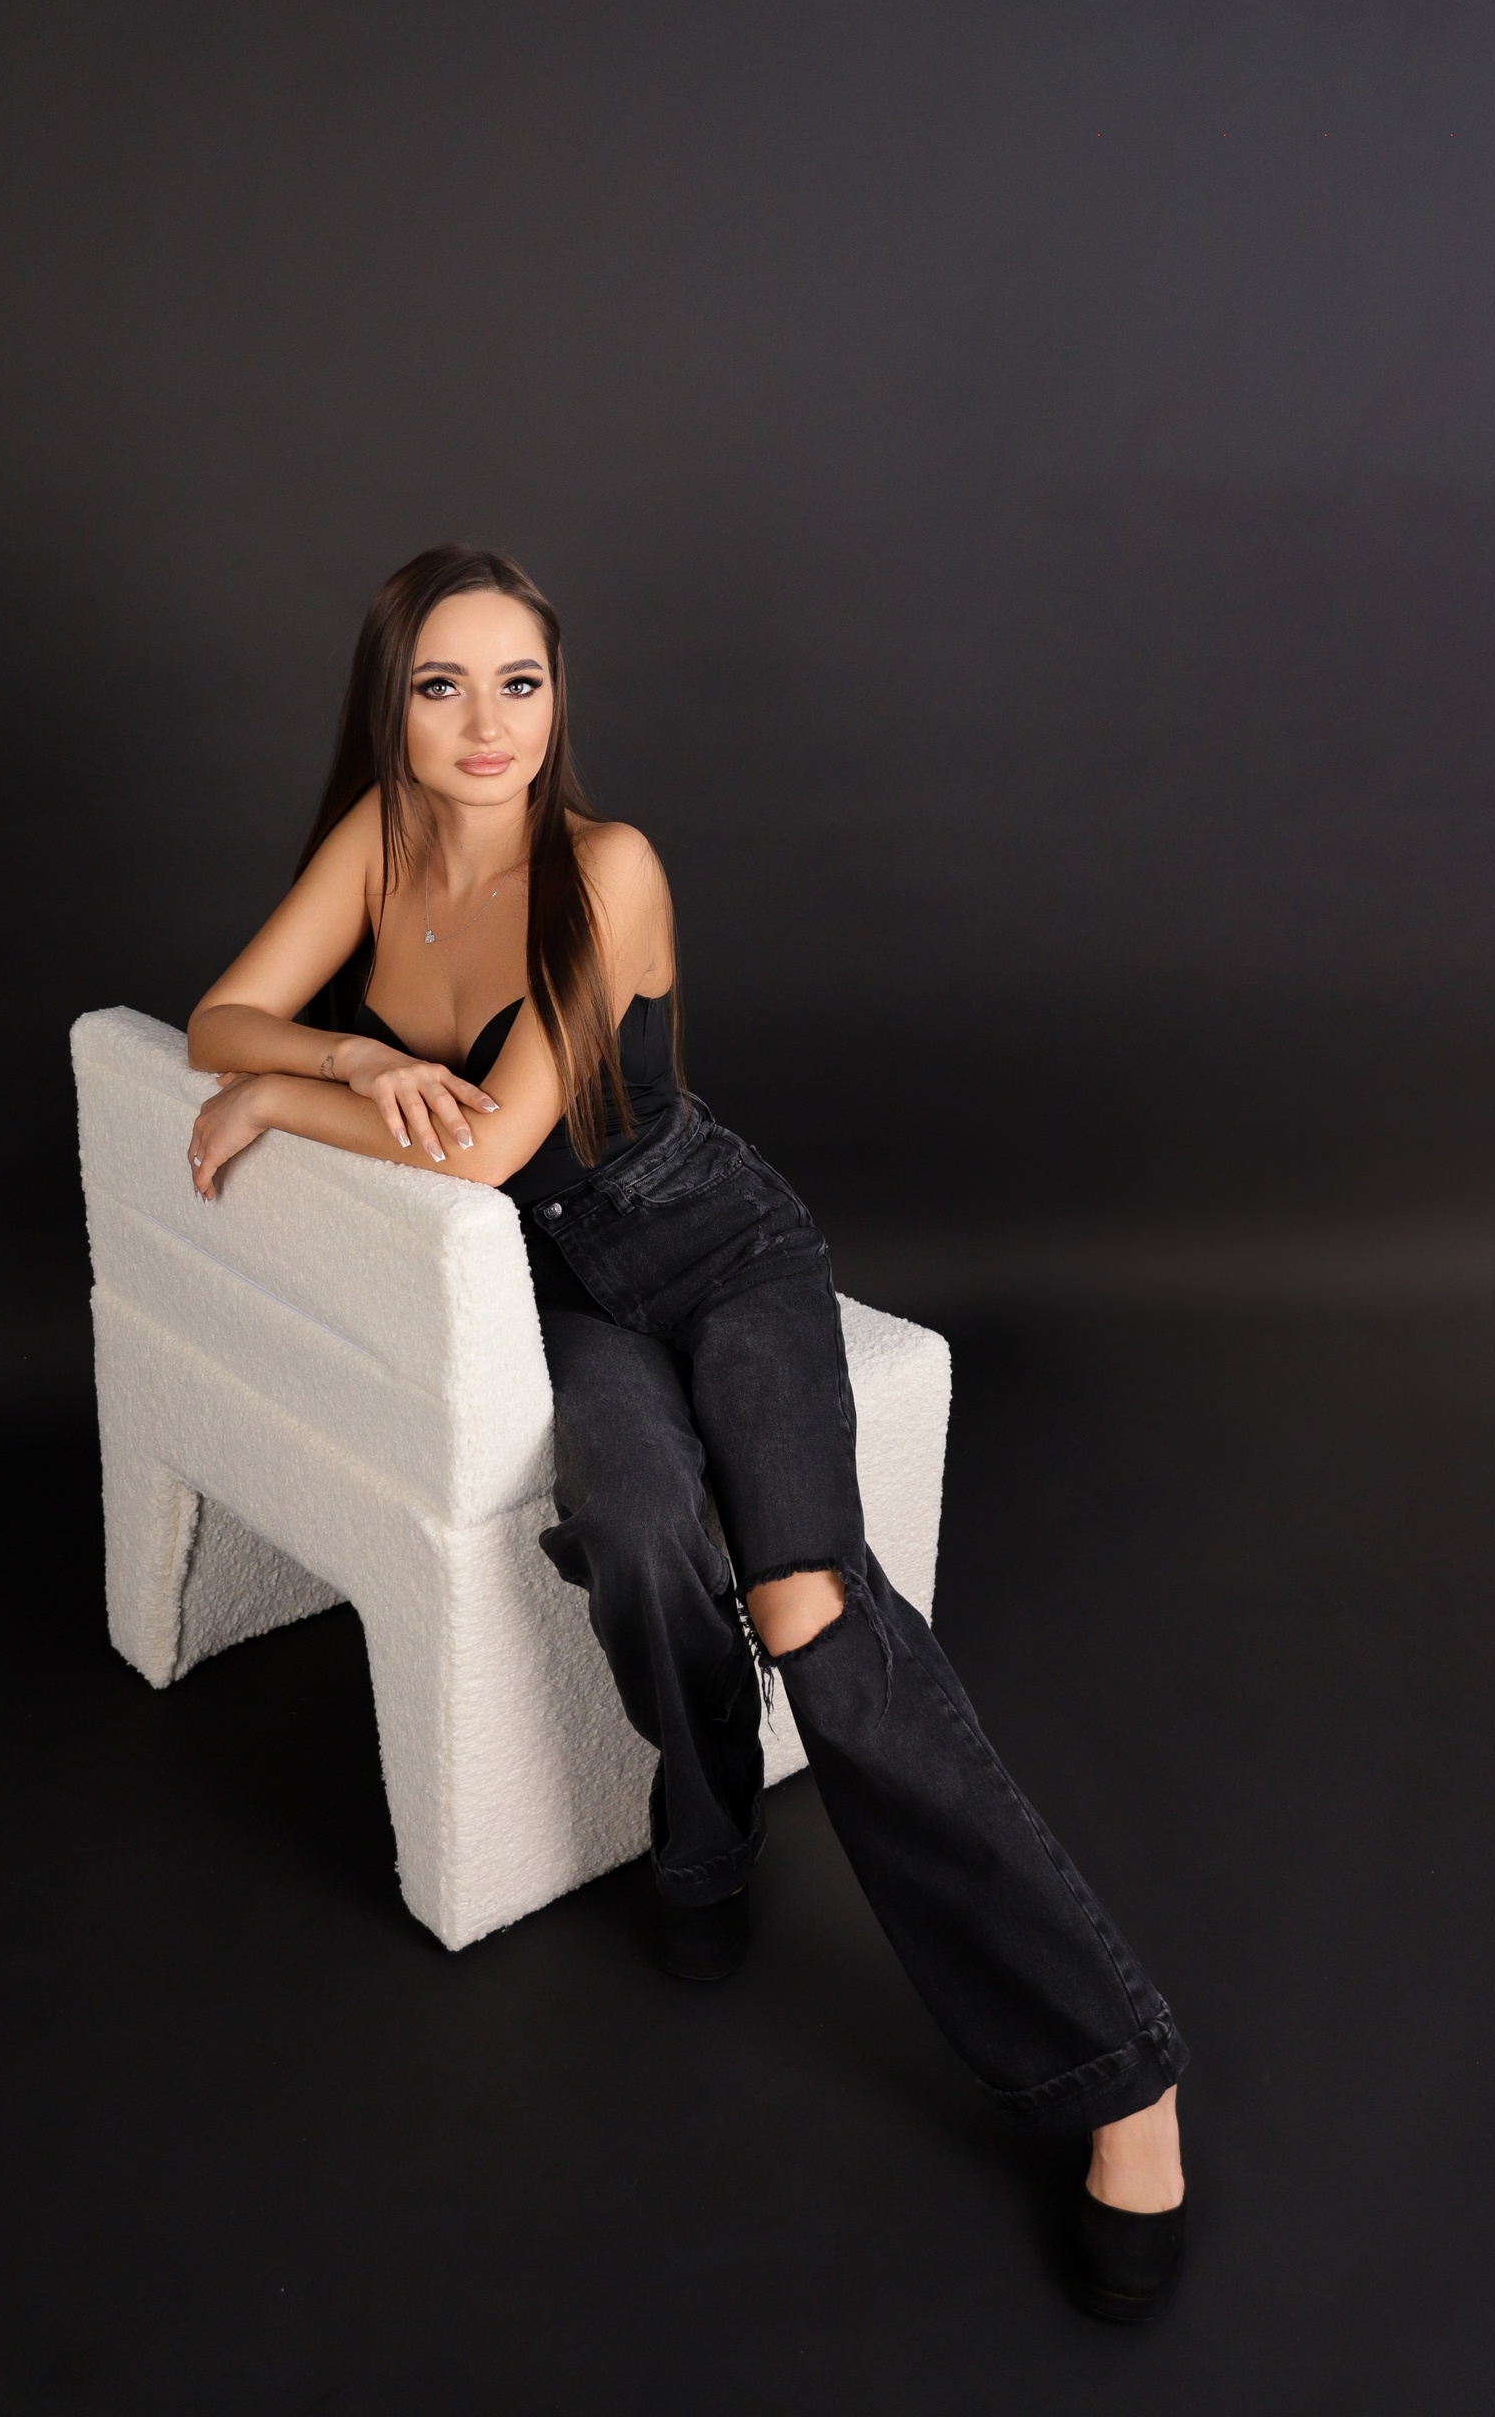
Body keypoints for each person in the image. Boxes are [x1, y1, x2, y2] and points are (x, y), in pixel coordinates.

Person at [185, 542, 1189, 2323]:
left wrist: (278, 1085)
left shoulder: (608, 866)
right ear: (389, 708)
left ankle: (1120, 2078)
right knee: (641, 1533)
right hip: (560, 1300)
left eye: (519, 683)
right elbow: (216, 1016)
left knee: (810, 1605)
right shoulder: (373, 850)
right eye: (441, 686)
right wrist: (337, 1059)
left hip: (714, 1246)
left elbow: (491, 1146)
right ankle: (707, 1825)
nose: (486, 724)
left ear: (558, 698)